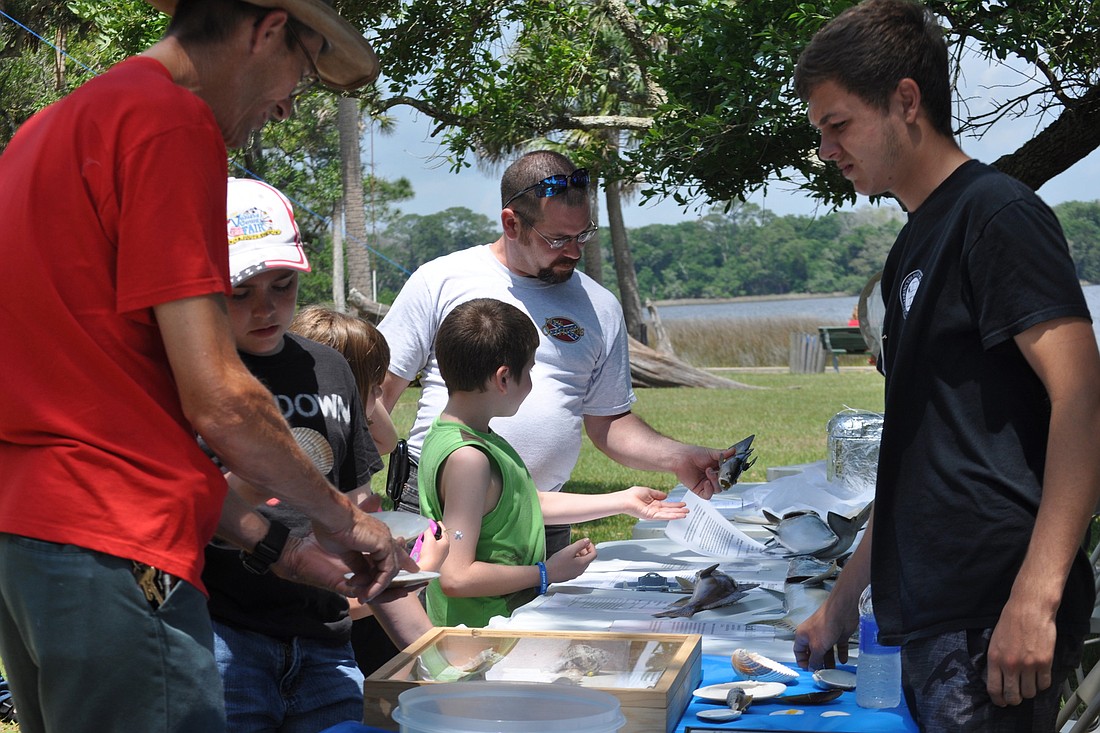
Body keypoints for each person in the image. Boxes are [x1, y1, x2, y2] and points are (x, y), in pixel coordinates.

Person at [0, 3, 414, 733]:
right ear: (267, 29)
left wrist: (287, 548)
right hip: (118, 542)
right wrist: (345, 515)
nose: (289, 103)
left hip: (29, 541)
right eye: (303, 70)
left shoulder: (45, 132)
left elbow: (113, 416)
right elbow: (220, 399)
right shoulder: (170, 122)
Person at [789, 1, 1100, 729]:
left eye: (838, 126)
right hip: (933, 614)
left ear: (906, 100)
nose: (827, 150)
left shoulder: (996, 216)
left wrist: (1038, 592)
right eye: (819, 133)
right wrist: (840, 602)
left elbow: (1082, 397)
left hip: (993, 614)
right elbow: (916, 453)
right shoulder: (913, 244)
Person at [379, 150, 735, 556]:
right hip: (441, 512)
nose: (575, 252)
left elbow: (608, 420)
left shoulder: (599, 306)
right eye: (558, 239)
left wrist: (677, 457)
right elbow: (378, 394)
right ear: (511, 223)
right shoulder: (440, 280)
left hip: (544, 517)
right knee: (435, 618)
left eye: (583, 235)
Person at [418, 298, 689, 628]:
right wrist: (546, 573)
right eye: (530, 371)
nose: (531, 383)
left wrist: (622, 501)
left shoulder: (465, 436)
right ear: (503, 379)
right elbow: (456, 577)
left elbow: (522, 504)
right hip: (476, 642)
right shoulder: (468, 460)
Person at [289, 305, 441, 673]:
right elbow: (340, 600)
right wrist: (420, 571)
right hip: (328, 641)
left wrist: (356, 401)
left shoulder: (333, 443)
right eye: (375, 384)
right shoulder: (311, 492)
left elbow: (387, 440)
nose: (382, 391)